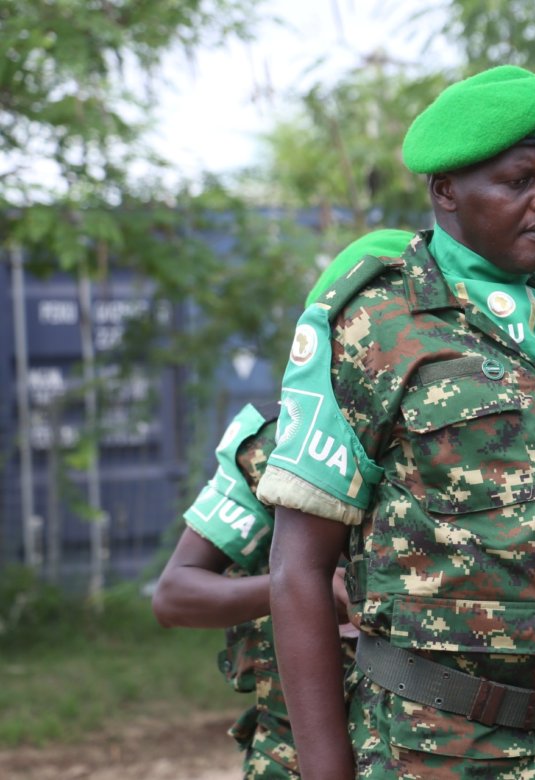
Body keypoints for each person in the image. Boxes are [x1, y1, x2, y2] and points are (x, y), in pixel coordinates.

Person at [257, 65, 535, 780]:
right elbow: (298, 569)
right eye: (519, 181)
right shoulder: (373, 322)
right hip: (439, 747)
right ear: (446, 192)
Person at [151, 228, 414, 779]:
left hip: (419, 745)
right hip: (292, 748)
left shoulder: (452, 445)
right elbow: (175, 595)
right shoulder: (275, 445)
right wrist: (312, 590)